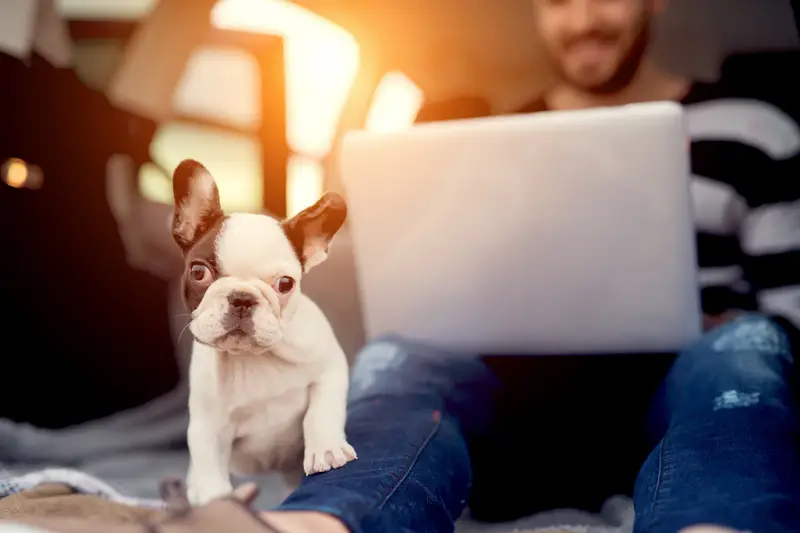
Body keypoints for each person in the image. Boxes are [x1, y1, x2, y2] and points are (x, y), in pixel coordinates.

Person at [255, 0, 800, 532]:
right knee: (398, 354)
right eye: (558, 1)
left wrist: (724, 327)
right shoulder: (488, 146)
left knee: (750, 343)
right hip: (517, 419)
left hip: (691, 404)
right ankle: (315, 522)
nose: (583, 20)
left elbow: (790, 314)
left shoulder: (757, 130)